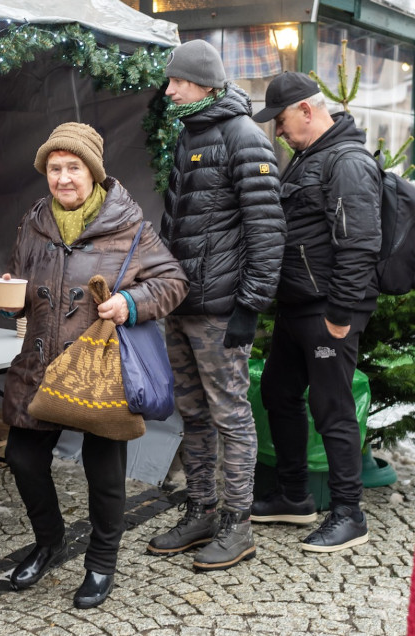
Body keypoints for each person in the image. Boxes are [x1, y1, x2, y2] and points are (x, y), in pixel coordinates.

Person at [0, 122, 188, 609]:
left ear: (94, 172)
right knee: (22, 458)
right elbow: (25, 283)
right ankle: (50, 540)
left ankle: (100, 562)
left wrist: (130, 303)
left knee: (104, 474)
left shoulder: (129, 225)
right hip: (40, 364)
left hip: (99, 369)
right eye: (54, 168)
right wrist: (11, 299)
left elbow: (173, 281)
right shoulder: (34, 221)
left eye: (73, 168)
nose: (63, 178)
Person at [146, 39, 285, 571]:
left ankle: (237, 524)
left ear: (204, 82)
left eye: (177, 81)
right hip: (182, 304)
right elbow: (177, 221)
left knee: (231, 415)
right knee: (193, 412)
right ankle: (201, 510)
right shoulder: (189, 133)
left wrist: (250, 305)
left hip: (222, 310)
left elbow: (267, 230)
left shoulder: (244, 136)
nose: (169, 90)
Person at [250, 72, 382, 552]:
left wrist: (341, 314)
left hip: (328, 308)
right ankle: (294, 495)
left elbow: (360, 243)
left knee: (333, 408)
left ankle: (349, 514)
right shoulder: (309, 157)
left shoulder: (347, 161)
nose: (278, 131)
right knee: (278, 391)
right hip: (298, 306)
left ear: (306, 109)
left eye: (281, 120)